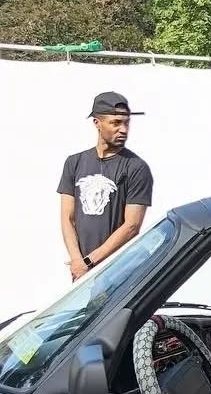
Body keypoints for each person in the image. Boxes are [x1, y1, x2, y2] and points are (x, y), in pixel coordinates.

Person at [57, 92, 153, 282]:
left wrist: (89, 262)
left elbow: (132, 226)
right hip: (82, 271)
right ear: (97, 123)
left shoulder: (136, 167)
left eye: (126, 123)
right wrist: (77, 261)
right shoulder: (74, 163)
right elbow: (67, 218)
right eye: (116, 123)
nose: (123, 129)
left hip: (120, 271)